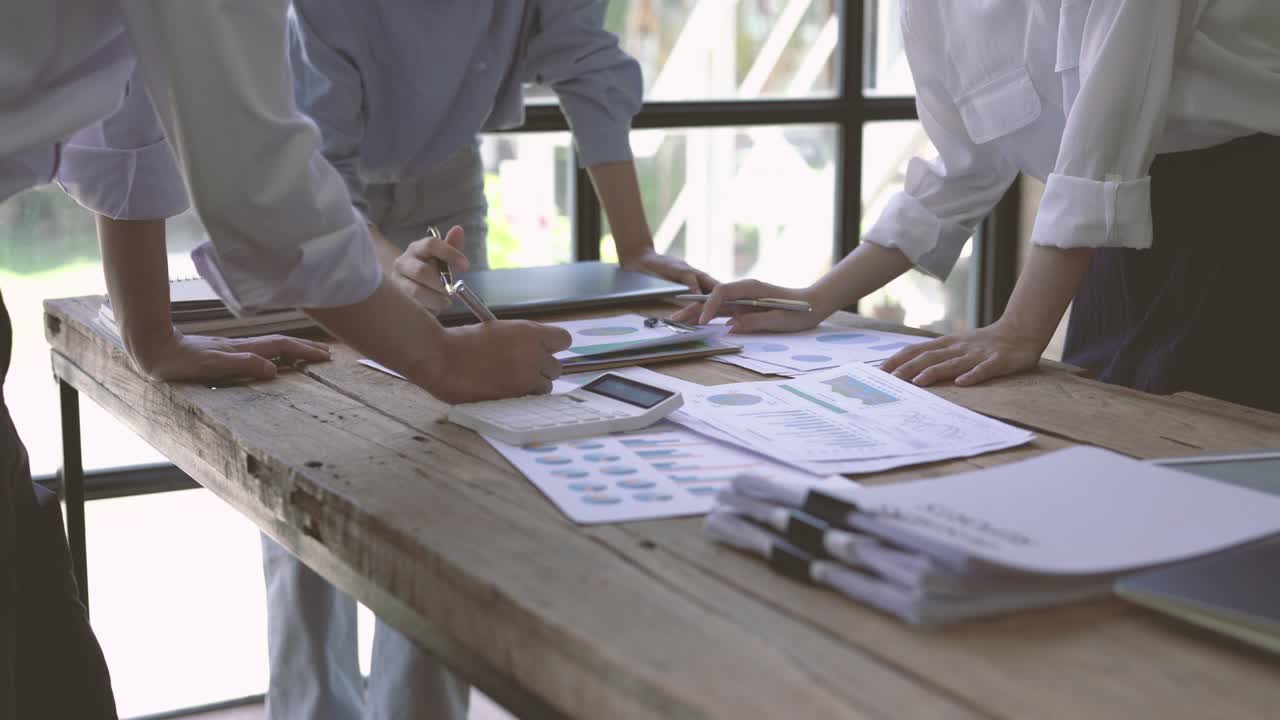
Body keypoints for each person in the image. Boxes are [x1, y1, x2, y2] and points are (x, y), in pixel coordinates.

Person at [1, 3, 571, 717]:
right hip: (356, 222)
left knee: (49, 666)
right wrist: (442, 361)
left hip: (408, 205)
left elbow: (131, 107)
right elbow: (260, 180)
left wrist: (152, 333)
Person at [259, 3, 716, 718]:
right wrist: (387, 269)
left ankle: (421, 709)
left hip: (442, 181)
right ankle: (313, 707)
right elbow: (317, 180)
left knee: (449, 448)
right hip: (310, 186)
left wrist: (637, 249)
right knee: (310, 441)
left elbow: (586, 67)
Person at [675, 0, 1280, 414]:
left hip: (1249, 210)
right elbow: (961, 168)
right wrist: (817, 297)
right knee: (1110, 430)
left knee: (1219, 453)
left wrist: (1020, 327)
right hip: (1113, 240)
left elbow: (1106, 138)